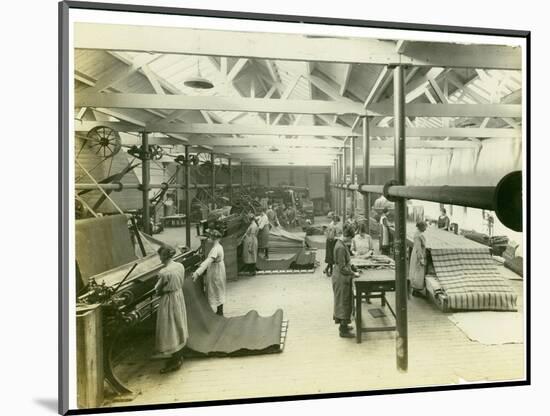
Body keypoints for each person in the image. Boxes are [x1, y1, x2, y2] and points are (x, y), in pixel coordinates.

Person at [154, 245, 188, 373]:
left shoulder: (164, 272)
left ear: (164, 256)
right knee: (178, 324)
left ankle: (175, 361)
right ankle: (178, 356)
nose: (160, 258)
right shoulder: (180, 266)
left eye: (160, 256)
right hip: (178, 296)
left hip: (168, 300)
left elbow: (157, 290)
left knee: (170, 328)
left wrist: (159, 291)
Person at [332, 224, 360, 338]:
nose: (351, 241)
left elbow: (345, 262)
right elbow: (342, 268)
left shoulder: (342, 244)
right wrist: (354, 273)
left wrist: (352, 267)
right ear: (346, 236)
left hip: (343, 277)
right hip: (341, 278)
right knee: (343, 303)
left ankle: (344, 325)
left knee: (345, 302)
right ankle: (343, 331)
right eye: (350, 238)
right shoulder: (340, 247)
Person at [192, 230, 227, 316]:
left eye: (209, 237)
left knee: (216, 288)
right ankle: (219, 310)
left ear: (213, 238)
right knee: (219, 288)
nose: (208, 239)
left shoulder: (215, 249)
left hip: (216, 271)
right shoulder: (219, 246)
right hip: (219, 268)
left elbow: (208, 261)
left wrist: (197, 272)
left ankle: (219, 312)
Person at [409, 221, 428, 297]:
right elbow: (418, 248)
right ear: (421, 227)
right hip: (418, 254)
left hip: (418, 252)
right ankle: (415, 290)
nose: (426, 228)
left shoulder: (419, 234)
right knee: (418, 271)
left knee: (418, 271)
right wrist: (421, 258)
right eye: (425, 227)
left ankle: (416, 289)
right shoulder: (417, 235)